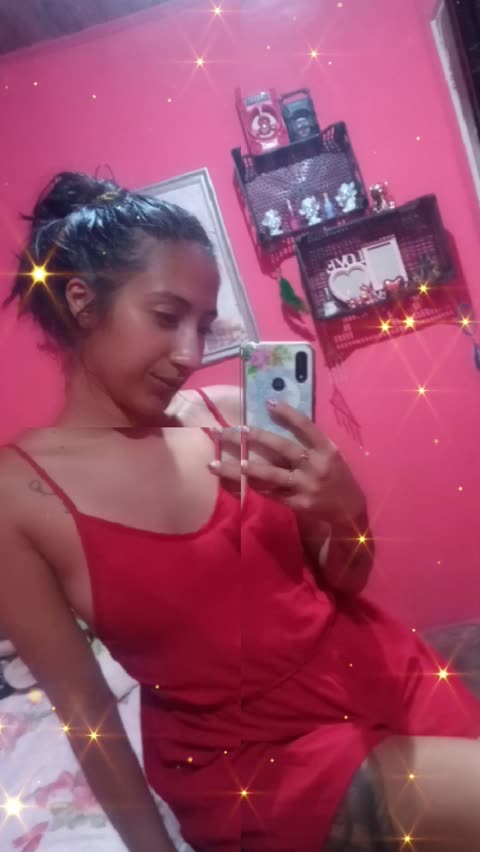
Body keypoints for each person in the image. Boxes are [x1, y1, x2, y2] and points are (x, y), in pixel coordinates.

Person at [0, 172, 479, 852]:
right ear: (81, 301)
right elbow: (86, 710)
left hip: (377, 668)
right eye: (166, 317)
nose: (191, 354)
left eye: (203, 324)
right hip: (259, 759)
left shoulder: (228, 415)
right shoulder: (20, 493)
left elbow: (343, 581)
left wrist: (345, 509)